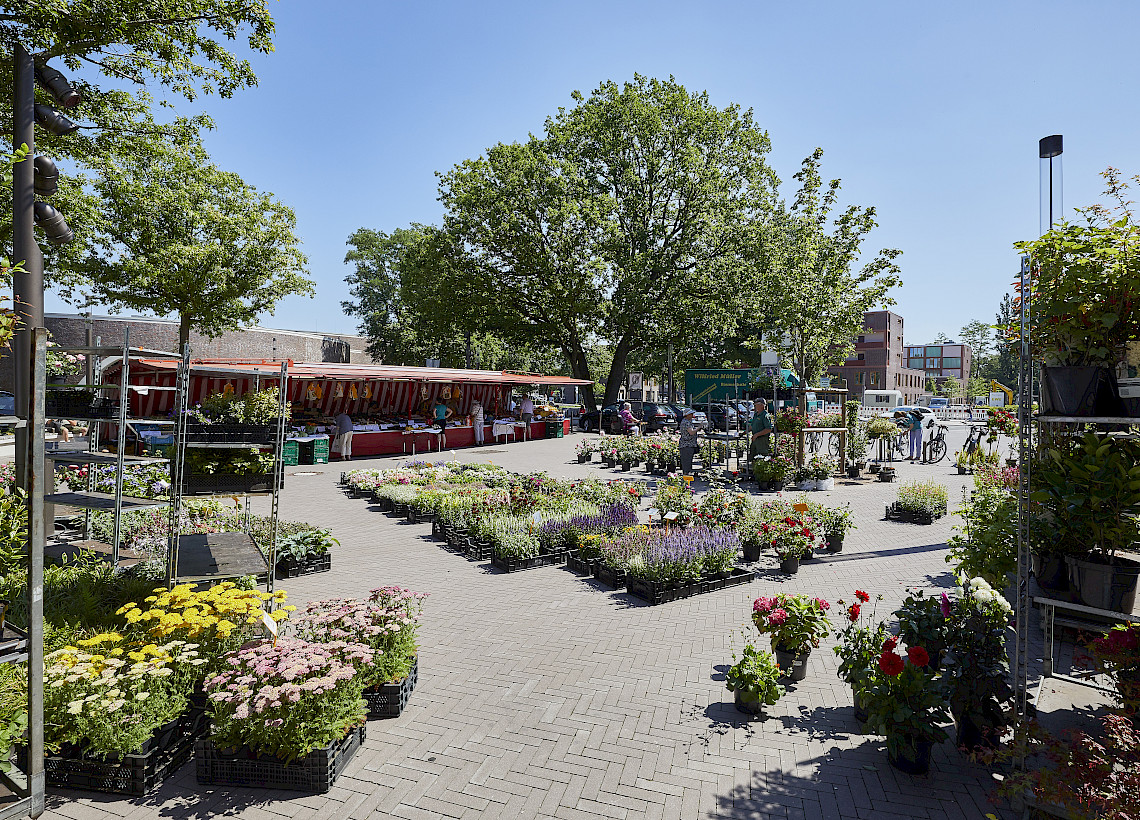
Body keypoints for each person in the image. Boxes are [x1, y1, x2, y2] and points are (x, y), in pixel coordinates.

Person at [678, 409, 699, 475]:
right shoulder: (686, 422)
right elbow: (691, 432)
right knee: (686, 462)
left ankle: (687, 475)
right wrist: (699, 427)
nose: (692, 415)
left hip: (689, 444)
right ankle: (686, 477)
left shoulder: (688, 421)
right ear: (687, 415)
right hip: (687, 445)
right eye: (691, 414)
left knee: (688, 461)